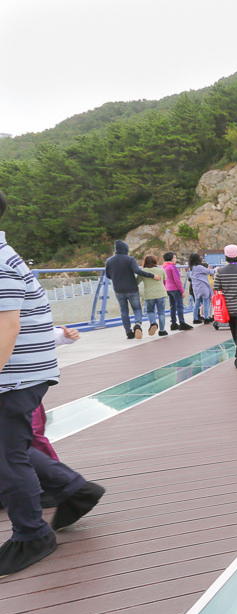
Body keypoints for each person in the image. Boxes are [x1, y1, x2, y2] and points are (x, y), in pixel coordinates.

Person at [0, 190, 105, 577]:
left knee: (7, 456)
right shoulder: (6, 256)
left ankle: (31, 535)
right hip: (23, 370)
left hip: (14, 375)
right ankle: (74, 490)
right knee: (12, 447)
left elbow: (9, 326)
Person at [104, 240, 161, 339]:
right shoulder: (130, 259)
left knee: (124, 311)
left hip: (118, 289)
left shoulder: (109, 261)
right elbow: (137, 271)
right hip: (132, 288)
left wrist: (117, 278)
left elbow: (108, 275)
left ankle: (129, 332)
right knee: (137, 309)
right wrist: (152, 275)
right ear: (125, 249)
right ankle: (138, 324)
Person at [138, 255, 168, 336]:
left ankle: (153, 323)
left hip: (149, 294)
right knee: (161, 313)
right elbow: (165, 279)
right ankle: (162, 330)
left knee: (150, 311)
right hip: (161, 293)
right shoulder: (161, 270)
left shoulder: (142, 271)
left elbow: (137, 282)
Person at [162, 252, 192, 331]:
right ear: (171, 258)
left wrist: (165, 288)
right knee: (179, 306)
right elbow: (177, 280)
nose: (175, 259)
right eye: (174, 257)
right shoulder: (172, 267)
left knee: (172, 306)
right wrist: (182, 291)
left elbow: (164, 280)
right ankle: (182, 323)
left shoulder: (164, 267)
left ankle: (173, 323)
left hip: (168, 289)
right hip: (175, 289)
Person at [187, 254, 216, 325]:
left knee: (196, 303)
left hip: (196, 288)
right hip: (203, 288)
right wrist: (216, 269)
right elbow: (209, 271)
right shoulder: (199, 267)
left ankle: (195, 318)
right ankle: (206, 318)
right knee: (205, 302)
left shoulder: (191, 268)